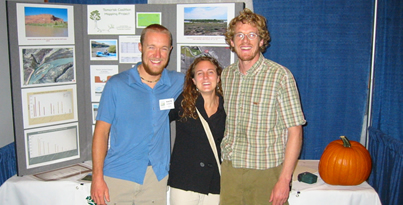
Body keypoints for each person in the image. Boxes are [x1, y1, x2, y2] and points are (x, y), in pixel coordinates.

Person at [220, 8, 306, 205]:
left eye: (252, 35)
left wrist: (284, 180)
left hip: (266, 172)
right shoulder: (227, 75)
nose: (245, 40)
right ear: (231, 42)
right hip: (231, 170)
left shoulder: (280, 76)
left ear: (261, 40)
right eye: (239, 35)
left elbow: (295, 132)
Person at [90, 24, 184, 205]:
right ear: (140, 47)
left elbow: (206, 82)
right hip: (118, 177)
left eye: (163, 48)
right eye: (151, 47)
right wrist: (97, 177)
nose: (157, 55)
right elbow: (101, 133)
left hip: (155, 179)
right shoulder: (116, 85)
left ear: (170, 50)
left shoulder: (177, 81)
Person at [168, 56, 226, 205]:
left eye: (210, 72)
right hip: (184, 184)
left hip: (214, 184)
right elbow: (157, 121)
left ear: (218, 77)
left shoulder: (227, 106)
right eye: (200, 73)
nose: (205, 77)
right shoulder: (183, 102)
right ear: (193, 80)